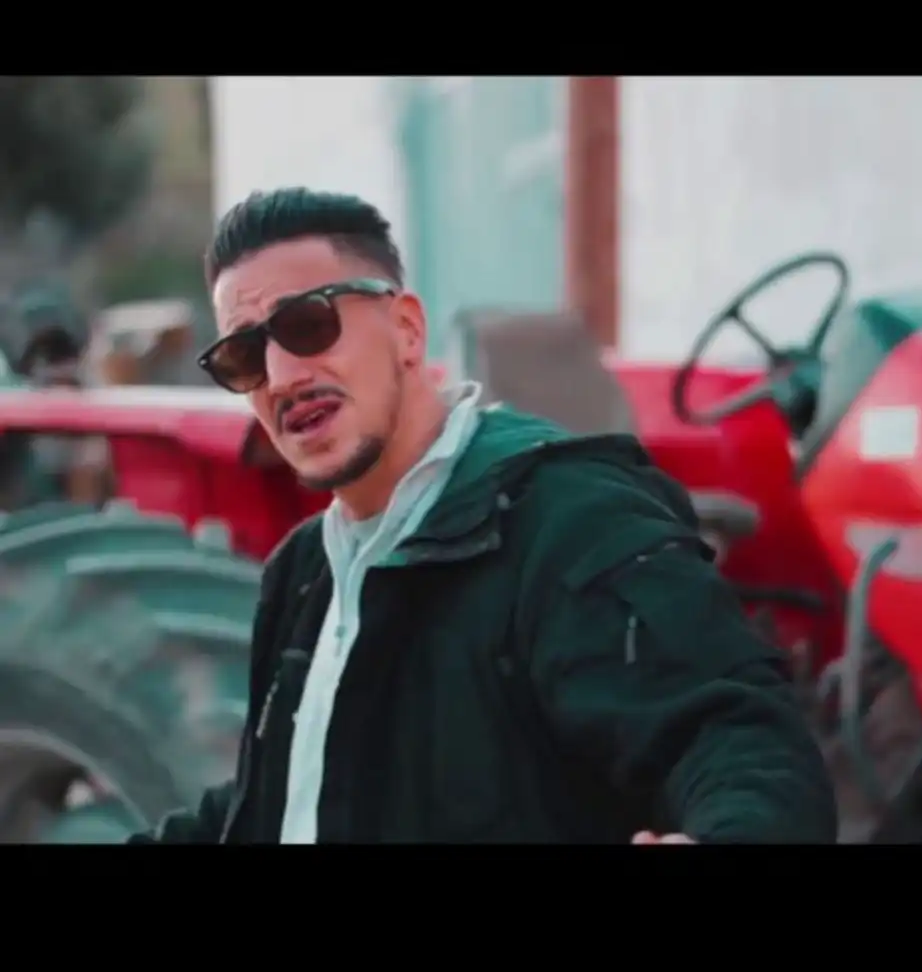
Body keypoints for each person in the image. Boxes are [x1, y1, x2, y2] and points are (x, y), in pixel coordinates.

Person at [130, 186, 838, 844]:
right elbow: (283, 799)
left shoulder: (566, 523)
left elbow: (739, 742)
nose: (283, 375)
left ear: (407, 330)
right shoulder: (304, 572)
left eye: (308, 324)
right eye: (245, 355)